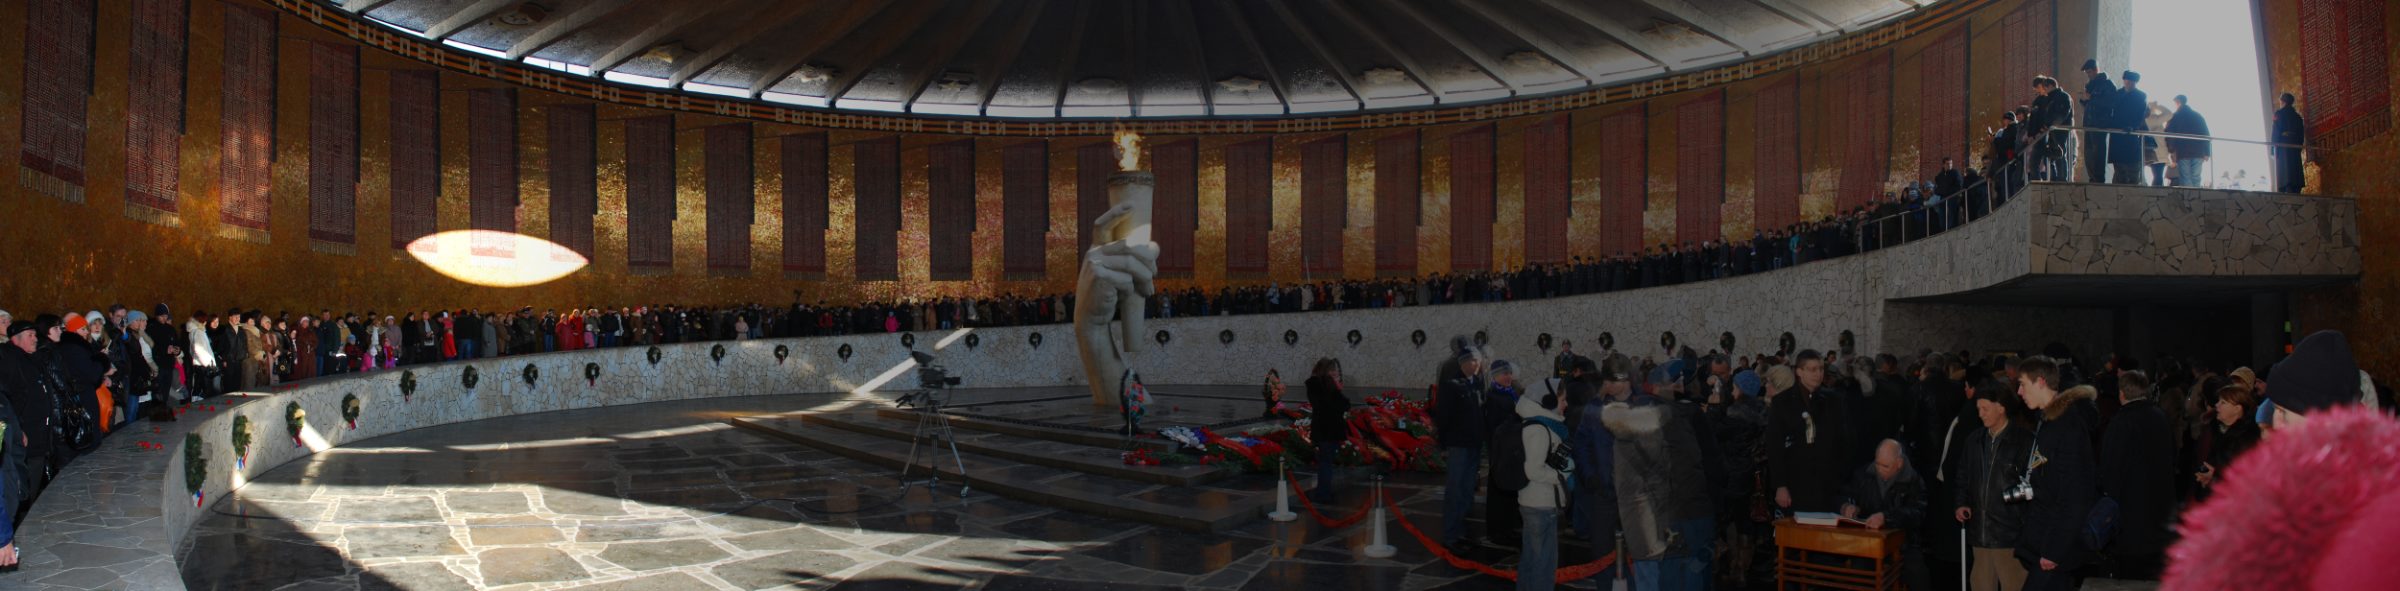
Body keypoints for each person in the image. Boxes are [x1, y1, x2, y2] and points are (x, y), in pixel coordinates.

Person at [2011, 357, 2099, 591]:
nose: (2019, 392)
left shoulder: (2067, 426)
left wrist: (2054, 550)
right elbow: (2045, 480)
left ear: (2040, 382)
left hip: (2054, 546)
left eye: (2023, 384)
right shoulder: (2047, 421)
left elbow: (2075, 495)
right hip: (2044, 539)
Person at [1957, 377, 2033, 591]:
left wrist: (2005, 500)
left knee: (2014, 585)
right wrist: (1961, 502)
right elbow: (1963, 475)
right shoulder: (1974, 440)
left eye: (1985, 409)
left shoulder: (2024, 441)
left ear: (2001, 408)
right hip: (1980, 532)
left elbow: (2033, 486)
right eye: (1978, 409)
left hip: (2010, 534)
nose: (1980, 414)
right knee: (1981, 584)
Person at [2097, 370, 2175, 578]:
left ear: (2121, 393)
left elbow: (2110, 468)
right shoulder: (2160, 416)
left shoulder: (2121, 422)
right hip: (2160, 510)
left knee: (2131, 574)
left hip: (2131, 514)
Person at [1767, 350, 1850, 513]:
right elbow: (1774, 446)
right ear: (1799, 372)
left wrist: (1841, 480)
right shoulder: (1781, 402)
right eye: (1812, 369)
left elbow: (1843, 441)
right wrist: (1780, 485)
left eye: (1821, 369)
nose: (1818, 374)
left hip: (1827, 484)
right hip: (1795, 484)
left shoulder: (1834, 400)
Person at [1841, 439, 1930, 591]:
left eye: (1885, 466)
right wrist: (1846, 506)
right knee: (1859, 572)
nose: (1879, 469)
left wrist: (1886, 517)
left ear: (1899, 463)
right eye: (1877, 464)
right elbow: (1842, 493)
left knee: (1918, 575)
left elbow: (1918, 513)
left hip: (1904, 543)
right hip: (1869, 542)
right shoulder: (1864, 474)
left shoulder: (1913, 479)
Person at [1515, 385, 1572, 591]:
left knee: (1532, 558)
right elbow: (1533, 470)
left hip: (1537, 500)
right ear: (1549, 402)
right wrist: (1560, 476)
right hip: (1539, 503)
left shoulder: (1544, 425)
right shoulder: (1538, 429)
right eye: (1562, 400)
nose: (1566, 404)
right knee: (1544, 564)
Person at [1434, 339, 1488, 548]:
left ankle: (1461, 530)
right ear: (1464, 362)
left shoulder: (1478, 383)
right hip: (1458, 445)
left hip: (1474, 444)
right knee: (1455, 491)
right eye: (1474, 360)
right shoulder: (1452, 385)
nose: (1478, 364)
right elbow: (1444, 416)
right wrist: (1443, 444)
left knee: (1466, 491)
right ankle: (1450, 535)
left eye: (1479, 360)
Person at [2187, 383, 2258, 502]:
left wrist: (2214, 477)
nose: (2216, 405)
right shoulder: (2217, 430)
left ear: (2237, 409)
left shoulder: (2247, 440)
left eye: (2223, 402)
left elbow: (2244, 479)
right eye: (2218, 401)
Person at [1484, 360, 1526, 546]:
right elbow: (1494, 426)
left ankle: (1509, 527)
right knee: (1498, 490)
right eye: (1503, 374)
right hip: (1500, 450)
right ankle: (1497, 530)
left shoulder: (1511, 393)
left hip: (1512, 449)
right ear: (1495, 377)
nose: (1508, 377)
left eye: (1509, 373)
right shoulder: (1493, 397)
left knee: (1510, 488)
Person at [1304, 358, 1348, 504]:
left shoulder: (1315, 385)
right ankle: (1324, 494)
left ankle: (1324, 491)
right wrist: (1337, 389)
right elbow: (1342, 405)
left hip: (1322, 429)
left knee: (1325, 462)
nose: (1335, 373)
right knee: (1326, 463)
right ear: (1326, 371)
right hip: (1330, 429)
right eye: (1332, 370)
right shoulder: (1327, 386)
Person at [2078, 60, 2118, 183]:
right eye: (2087, 73)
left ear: (2096, 70)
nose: (2088, 75)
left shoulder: (2107, 84)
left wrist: (2091, 98)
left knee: (2098, 153)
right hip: (2089, 124)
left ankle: (2099, 179)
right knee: (2088, 154)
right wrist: (2084, 101)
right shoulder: (2090, 85)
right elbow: (2091, 104)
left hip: (2100, 124)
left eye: (2089, 72)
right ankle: (2092, 178)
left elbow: (2110, 103)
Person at [2029, 76, 2075, 182]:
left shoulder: (2062, 96)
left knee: (2060, 154)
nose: (2044, 91)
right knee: (2053, 154)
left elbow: (2062, 114)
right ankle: (2056, 178)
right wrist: (2046, 126)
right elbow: (2046, 115)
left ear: (2051, 86)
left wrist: (2050, 125)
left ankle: (2062, 178)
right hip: (2051, 130)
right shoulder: (2050, 99)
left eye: (2045, 88)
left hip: (2060, 130)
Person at [2109, 71, 2150, 185]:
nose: (2128, 83)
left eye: (2131, 81)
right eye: (2126, 80)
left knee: (2133, 168)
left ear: (2135, 82)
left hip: (2131, 134)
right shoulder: (2117, 94)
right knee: (2119, 168)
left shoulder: (2141, 96)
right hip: (2117, 134)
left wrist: (2133, 126)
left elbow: (2140, 115)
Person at [2164, 95, 2211, 187]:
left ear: (2178, 102)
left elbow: (2170, 134)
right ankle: (2196, 195)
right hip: (2198, 151)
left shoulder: (2175, 116)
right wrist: (2207, 152)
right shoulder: (2198, 116)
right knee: (2196, 177)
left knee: (2185, 177)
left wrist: (2171, 150)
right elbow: (2206, 134)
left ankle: (2188, 196)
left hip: (2183, 151)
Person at [2271, 93, 2304, 193]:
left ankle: (2286, 187)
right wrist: (2299, 146)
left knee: (2285, 170)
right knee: (2295, 168)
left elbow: (2276, 131)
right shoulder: (2297, 117)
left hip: (2283, 145)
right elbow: (2301, 134)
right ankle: (2296, 188)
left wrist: (2273, 149)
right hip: (2295, 145)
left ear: (2283, 102)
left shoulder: (2279, 114)